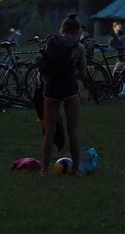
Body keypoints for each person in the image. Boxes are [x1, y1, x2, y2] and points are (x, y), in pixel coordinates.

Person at [41, 14, 87, 176]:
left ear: (63, 28)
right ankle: (76, 170)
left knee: (49, 131)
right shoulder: (78, 47)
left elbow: (45, 66)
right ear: (77, 30)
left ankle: (45, 169)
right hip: (69, 89)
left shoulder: (52, 43)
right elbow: (83, 74)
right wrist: (70, 74)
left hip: (51, 89)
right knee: (72, 130)